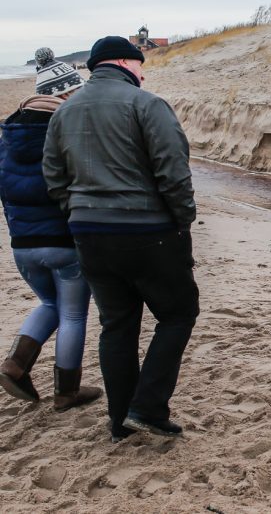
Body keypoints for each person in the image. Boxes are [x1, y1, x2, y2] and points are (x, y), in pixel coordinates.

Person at [43, 36, 199, 441]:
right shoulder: (146, 104)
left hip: (89, 235)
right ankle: (146, 408)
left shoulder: (65, 111)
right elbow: (173, 171)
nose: (143, 73)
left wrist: (79, 215)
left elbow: (54, 177)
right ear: (125, 62)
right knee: (178, 314)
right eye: (140, 64)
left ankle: (120, 422)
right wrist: (182, 222)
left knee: (117, 325)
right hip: (148, 231)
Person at [0, 48, 101, 411]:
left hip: (22, 244)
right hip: (63, 242)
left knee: (49, 303)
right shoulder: (68, 130)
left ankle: (15, 365)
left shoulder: (8, 135)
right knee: (73, 313)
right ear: (63, 94)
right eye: (76, 92)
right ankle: (66, 392)